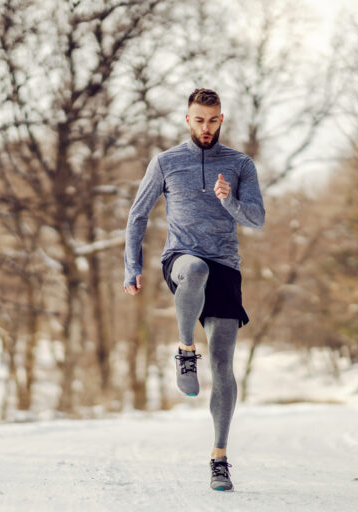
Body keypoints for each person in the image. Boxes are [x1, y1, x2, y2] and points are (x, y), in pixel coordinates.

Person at [123, 88, 265, 491]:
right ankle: (186, 350)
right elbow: (137, 216)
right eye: (200, 120)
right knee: (196, 269)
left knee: (223, 366)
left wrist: (230, 200)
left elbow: (256, 219)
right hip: (182, 259)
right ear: (188, 119)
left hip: (227, 265)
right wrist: (132, 267)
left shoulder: (239, 164)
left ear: (222, 119)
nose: (207, 127)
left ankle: (219, 458)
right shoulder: (167, 162)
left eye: (214, 120)